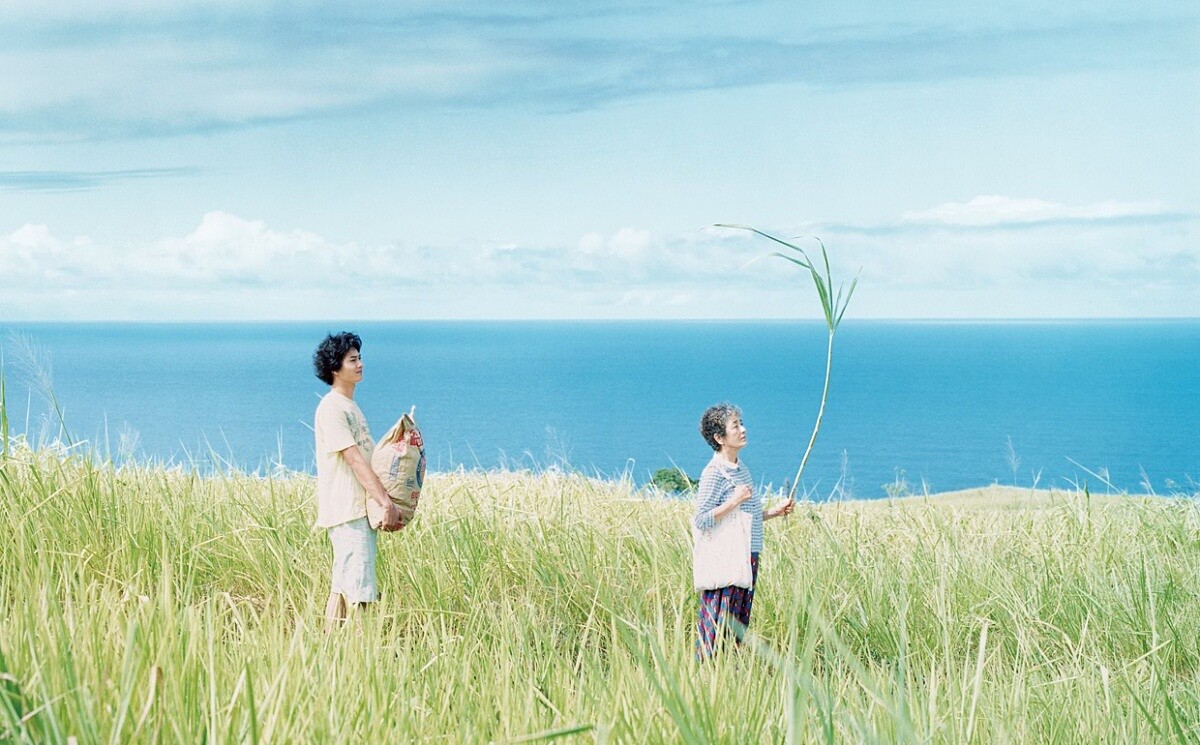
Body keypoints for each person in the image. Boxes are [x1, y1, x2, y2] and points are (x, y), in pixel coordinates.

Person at [312, 331, 401, 629]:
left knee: (342, 586)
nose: (360, 364)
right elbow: (354, 459)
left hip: (357, 511)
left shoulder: (350, 407)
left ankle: (330, 650)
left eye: (360, 358)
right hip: (349, 510)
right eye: (353, 360)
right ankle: (360, 654)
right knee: (360, 592)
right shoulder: (332, 407)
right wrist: (385, 502)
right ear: (335, 368)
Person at [694, 403, 793, 658]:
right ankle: (706, 674)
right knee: (718, 620)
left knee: (738, 622)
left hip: (748, 554)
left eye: (741, 423)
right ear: (719, 438)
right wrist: (734, 500)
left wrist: (774, 512)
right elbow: (702, 519)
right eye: (735, 425)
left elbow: (744, 519)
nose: (743, 429)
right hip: (728, 556)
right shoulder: (713, 474)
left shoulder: (741, 469)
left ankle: (727, 674)